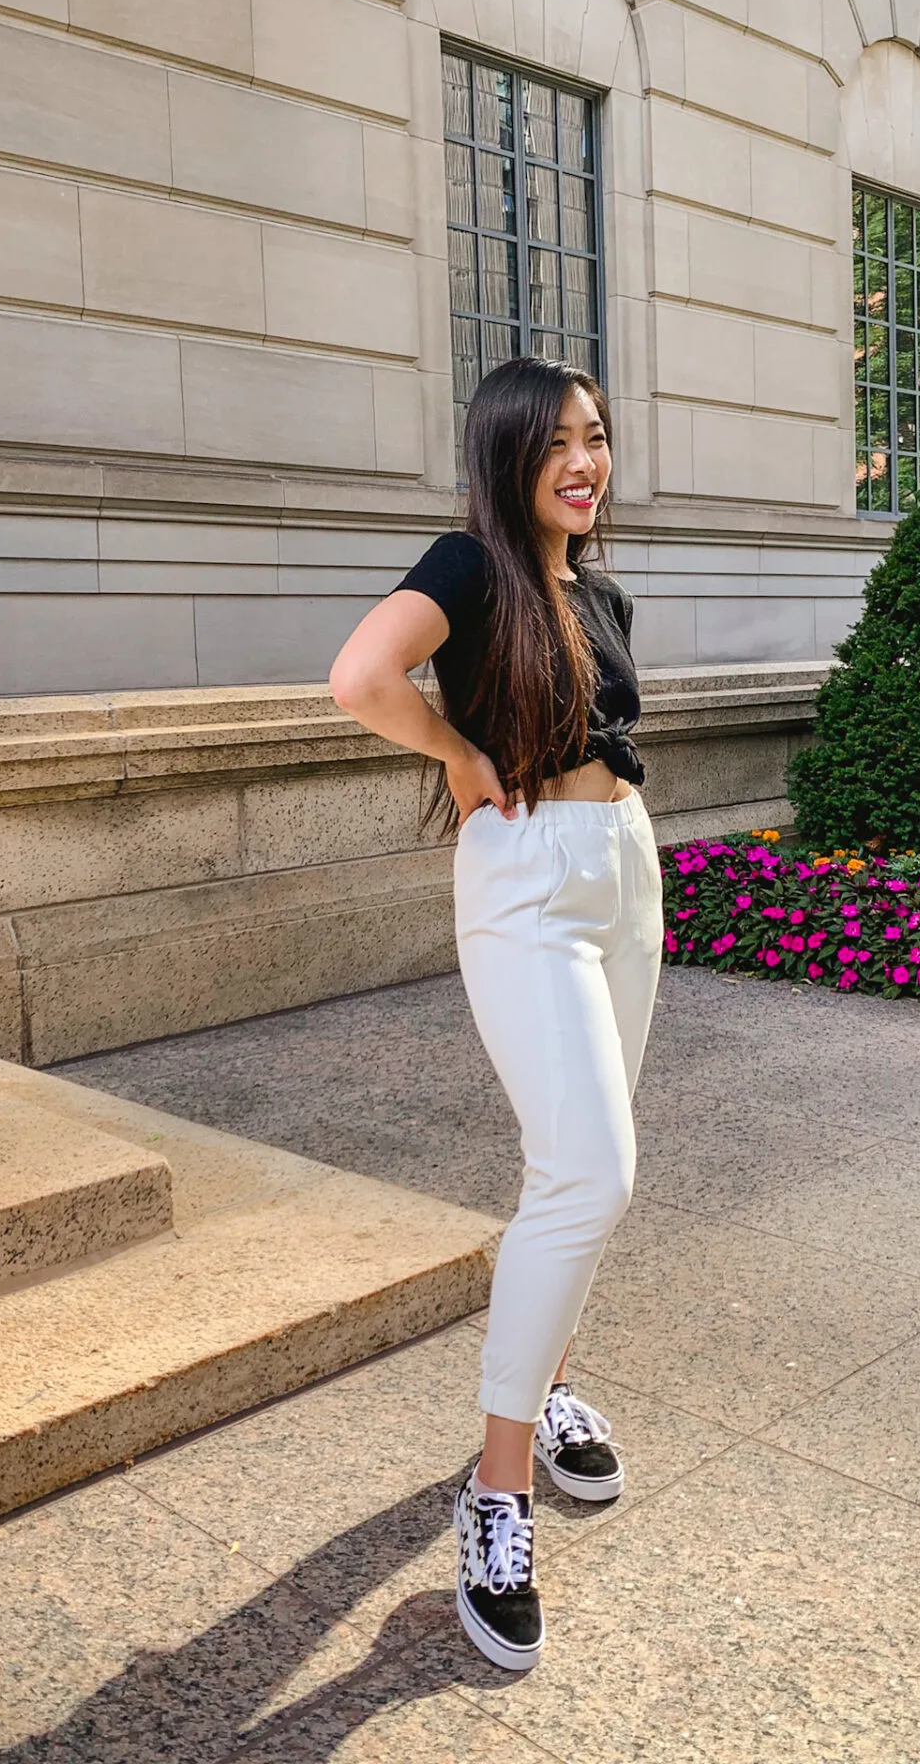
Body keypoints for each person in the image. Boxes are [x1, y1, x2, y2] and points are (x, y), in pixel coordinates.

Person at [329, 357, 661, 1671]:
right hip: (527, 884)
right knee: (591, 1171)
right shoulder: (471, 571)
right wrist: (461, 758)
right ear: (507, 452)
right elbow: (360, 675)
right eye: (559, 443)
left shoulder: (603, 590)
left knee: (578, 1174)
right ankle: (498, 1488)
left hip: (624, 879)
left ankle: (554, 1378)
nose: (585, 462)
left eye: (598, 439)